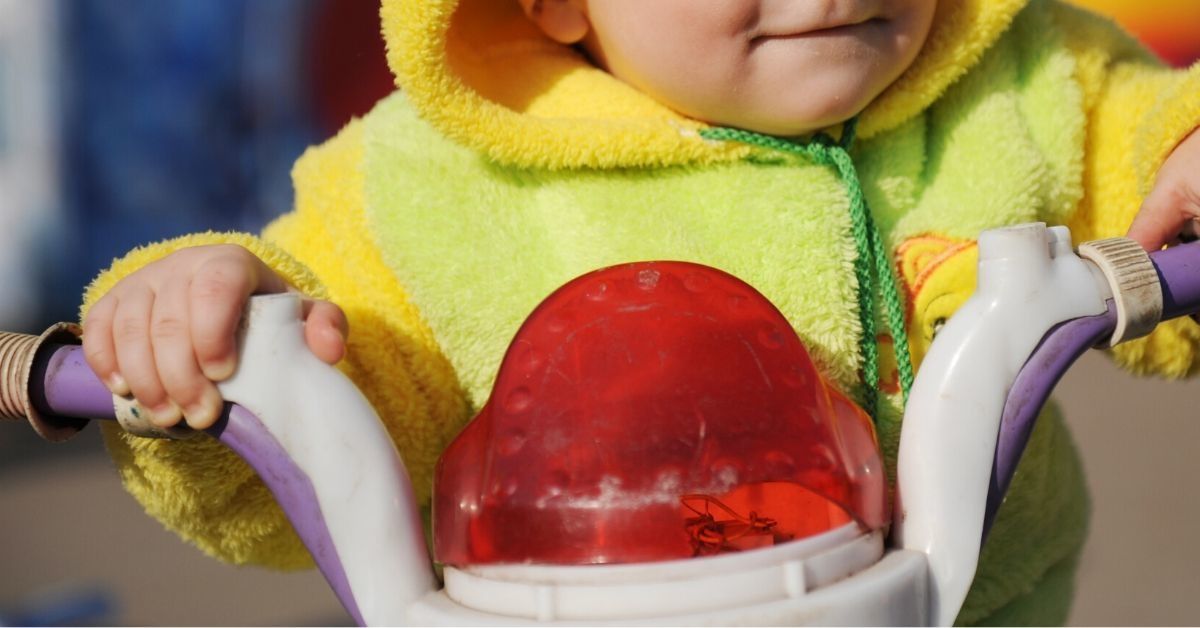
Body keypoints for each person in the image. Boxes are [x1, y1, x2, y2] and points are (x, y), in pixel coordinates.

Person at [79, 0, 1200, 624]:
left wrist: (1184, 154)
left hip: (974, 609)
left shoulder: (1013, 76)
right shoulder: (431, 183)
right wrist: (214, 332)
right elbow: (324, 391)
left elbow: (1138, 141)